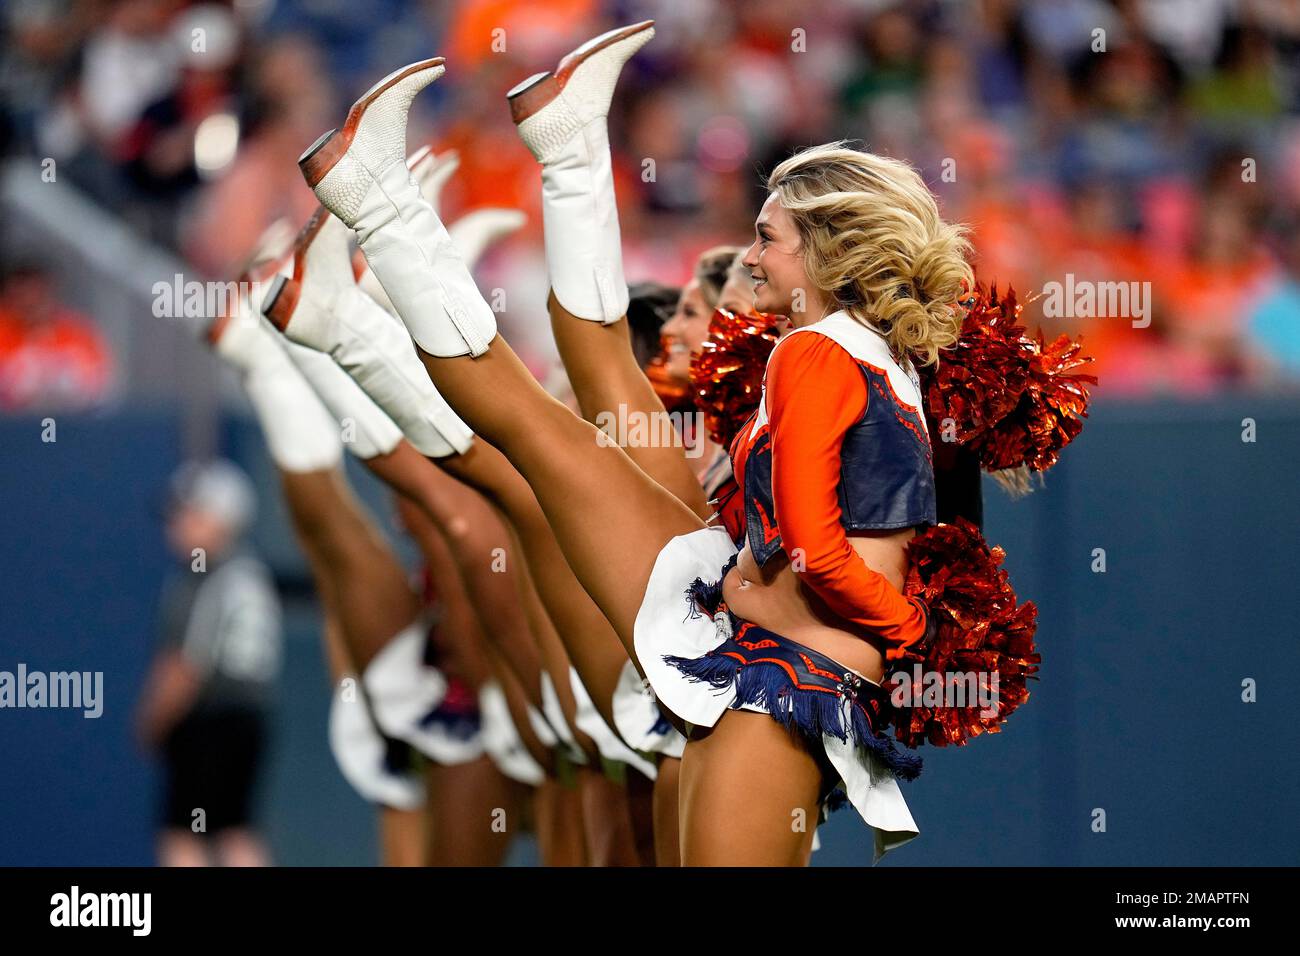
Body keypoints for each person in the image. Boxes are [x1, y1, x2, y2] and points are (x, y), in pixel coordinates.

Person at [292, 19, 974, 865]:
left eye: (768, 239)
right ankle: (391, 204)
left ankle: (389, 206)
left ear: (831, 255)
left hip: (780, 676)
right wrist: (907, 624)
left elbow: (819, 533)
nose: (748, 258)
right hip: (786, 678)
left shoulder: (836, 353)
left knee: (531, 439)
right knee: (530, 440)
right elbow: (815, 545)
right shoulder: (832, 353)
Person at [136, 458, 282, 866]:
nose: (176, 524)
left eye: (188, 513)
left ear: (218, 519)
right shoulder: (250, 571)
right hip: (250, 719)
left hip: (208, 723)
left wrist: (153, 718)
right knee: (236, 830)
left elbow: (185, 666)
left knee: (182, 835)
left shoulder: (205, 576)